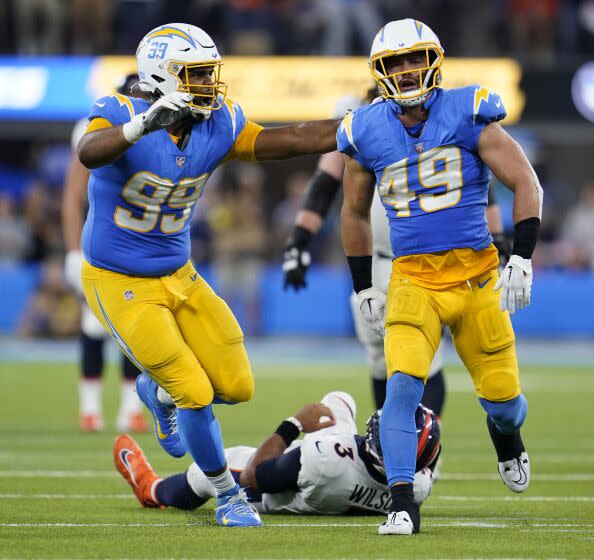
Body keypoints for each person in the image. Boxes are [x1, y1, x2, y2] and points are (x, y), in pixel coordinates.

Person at [75, 23, 340, 528]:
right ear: (163, 75)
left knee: (238, 386)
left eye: (208, 73)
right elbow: (88, 153)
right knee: (195, 392)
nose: (207, 85)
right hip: (119, 280)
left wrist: (353, 127)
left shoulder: (217, 122)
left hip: (179, 272)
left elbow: (288, 139)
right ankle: (226, 495)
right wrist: (143, 125)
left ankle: (157, 392)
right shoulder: (120, 111)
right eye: (195, 74)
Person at [339, 19, 543, 535]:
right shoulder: (365, 128)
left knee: (505, 405)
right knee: (401, 388)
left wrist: (521, 254)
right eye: (395, 63)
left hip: (477, 276)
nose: (407, 71)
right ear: (380, 72)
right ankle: (403, 500)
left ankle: (506, 436)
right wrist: (363, 284)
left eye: (415, 59)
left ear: (434, 60)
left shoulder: (467, 110)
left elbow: (524, 180)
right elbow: (353, 213)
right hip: (412, 281)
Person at [282, 89, 513, 417]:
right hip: (375, 261)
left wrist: (499, 238)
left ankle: (425, 456)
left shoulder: (437, 120)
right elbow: (325, 183)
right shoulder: (362, 123)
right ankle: (390, 445)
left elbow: (478, 181)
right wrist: (299, 240)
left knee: (425, 361)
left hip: (428, 262)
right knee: (380, 358)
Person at [113, 391, 439, 516]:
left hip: (290, 487)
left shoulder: (325, 458)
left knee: (206, 474)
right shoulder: (418, 487)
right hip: (349, 480)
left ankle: (150, 489)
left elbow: (257, 475)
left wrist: (293, 424)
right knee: (340, 402)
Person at [62, 73, 146, 433]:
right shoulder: (102, 125)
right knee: (95, 324)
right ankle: (91, 408)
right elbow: (73, 194)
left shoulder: (158, 125)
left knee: (138, 325)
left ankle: (130, 409)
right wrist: (71, 248)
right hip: (102, 242)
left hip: (138, 242)